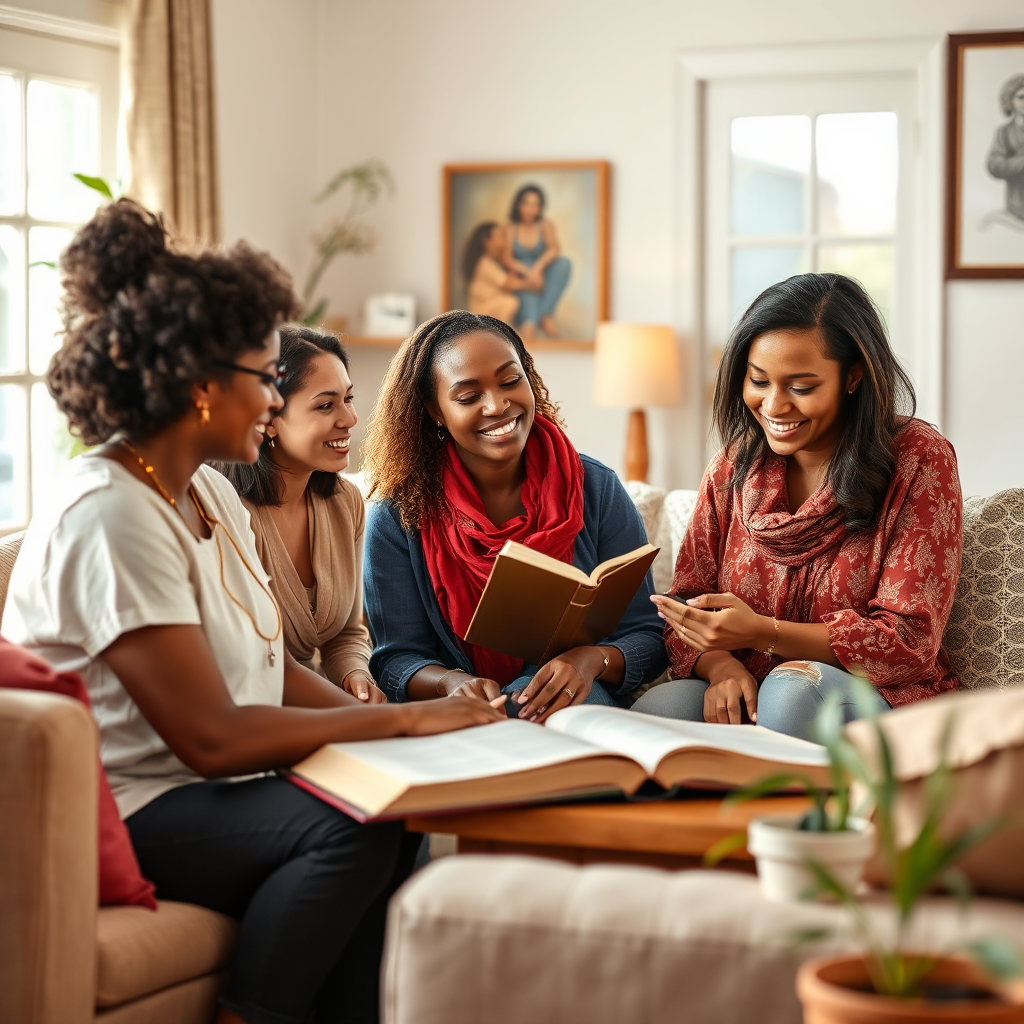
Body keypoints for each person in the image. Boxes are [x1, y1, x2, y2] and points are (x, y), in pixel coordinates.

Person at [1, 200, 503, 1024]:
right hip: (130, 803)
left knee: (398, 809)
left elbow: (272, 668)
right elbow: (210, 739)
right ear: (199, 386)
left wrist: (385, 726)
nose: (276, 406)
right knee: (358, 827)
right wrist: (402, 728)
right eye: (264, 380)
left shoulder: (204, 491)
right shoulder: (110, 513)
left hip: (196, 789)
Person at [632, 273, 962, 741]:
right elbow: (686, 603)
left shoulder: (917, 458)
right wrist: (722, 666)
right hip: (749, 681)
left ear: (853, 376)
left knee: (789, 694)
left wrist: (762, 632)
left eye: (801, 387)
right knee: (657, 711)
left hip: (879, 695)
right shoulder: (732, 467)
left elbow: (908, 641)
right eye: (758, 380)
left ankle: (798, 817)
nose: (773, 405)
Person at [361, 309, 666, 720]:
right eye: (469, 397)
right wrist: (450, 683)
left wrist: (589, 660)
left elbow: (648, 633)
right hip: (460, 715)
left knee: (532, 705)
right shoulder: (399, 513)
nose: (497, 405)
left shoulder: (596, 487)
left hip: (577, 703)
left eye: (510, 381)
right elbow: (395, 658)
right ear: (435, 411)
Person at [215, 324, 385, 703]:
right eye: (326, 405)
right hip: (256, 715)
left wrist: (356, 678)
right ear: (268, 417)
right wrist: (354, 714)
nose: (350, 418)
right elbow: (245, 660)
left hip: (324, 707)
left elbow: (346, 632)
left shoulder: (345, 502)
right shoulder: (224, 511)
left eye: (348, 398)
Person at [501, 184, 571, 343]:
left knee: (564, 264)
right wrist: (527, 272)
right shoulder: (510, 228)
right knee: (527, 289)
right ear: (518, 205)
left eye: (535, 205)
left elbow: (554, 248)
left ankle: (544, 315)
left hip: (542, 276)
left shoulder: (545, 225)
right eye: (526, 203)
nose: (530, 209)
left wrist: (537, 269)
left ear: (540, 207)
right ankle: (531, 322)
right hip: (522, 277)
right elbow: (507, 258)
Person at [462, 221, 525, 324]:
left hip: (485, 306)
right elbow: (507, 283)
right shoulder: (485, 263)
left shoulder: (490, 261)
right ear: (487, 242)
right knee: (510, 302)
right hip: (483, 308)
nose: (504, 241)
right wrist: (527, 284)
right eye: (499, 237)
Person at [986, 73, 1024, 223]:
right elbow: (994, 165)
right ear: (1010, 100)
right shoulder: (1005, 133)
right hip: (1018, 208)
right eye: (1021, 97)